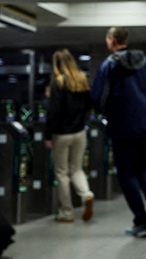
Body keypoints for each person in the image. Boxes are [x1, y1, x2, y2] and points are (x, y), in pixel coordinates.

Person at [91, 27, 146, 238]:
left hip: (121, 127)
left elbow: (98, 98)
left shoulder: (108, 65)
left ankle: (141, 221)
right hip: (145, 126)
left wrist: (107, 113)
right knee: (144, 166)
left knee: (126, 174)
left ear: (111, 40)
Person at [44, 48, 95, 223]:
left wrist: (47, 135)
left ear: (56, 64)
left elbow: (54, 112)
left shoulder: (58, 83)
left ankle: (67, 212)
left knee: (62, 173)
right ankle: (86, 195)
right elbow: (89, 106)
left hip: (62, 134)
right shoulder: (82, 80)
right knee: (77, 169)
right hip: (80, 132)